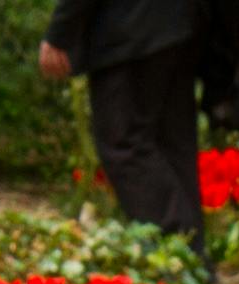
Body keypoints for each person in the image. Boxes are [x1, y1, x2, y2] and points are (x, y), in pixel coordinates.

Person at [40, 1, 214, 251]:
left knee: (124, 143)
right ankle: (193, 256)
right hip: (182, 26)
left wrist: (60, 32)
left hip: (130, 30)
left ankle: (175, 247)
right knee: (170, 143)